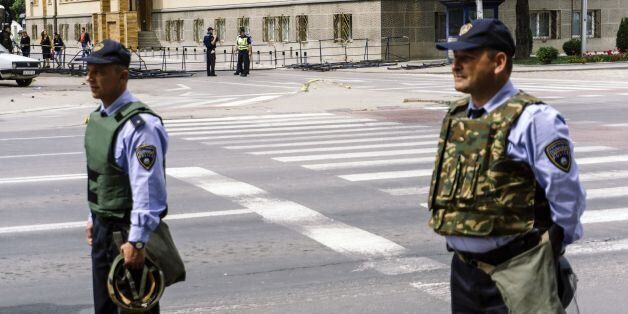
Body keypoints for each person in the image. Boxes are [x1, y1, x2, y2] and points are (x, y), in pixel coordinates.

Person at [428, 18, 585, 313]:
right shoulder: (458, 114)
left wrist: (551, 248)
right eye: (454, 57)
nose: (455, 65)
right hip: (464, 271)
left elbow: (566, 195)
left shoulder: (536, 119)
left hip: (517, 271)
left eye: (467, 58)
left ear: (499, 62)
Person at [80, 40, 169, 314]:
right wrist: (92, 217)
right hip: (105, 229)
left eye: (99, 72)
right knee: (105, 309)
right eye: (89, 70)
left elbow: (147, 189)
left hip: (126, 235)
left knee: (134, 308)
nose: (90, 78)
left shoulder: (140, 127)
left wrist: (138, 241)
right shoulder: (100, 117)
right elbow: (101, 175)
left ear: (123, 76)